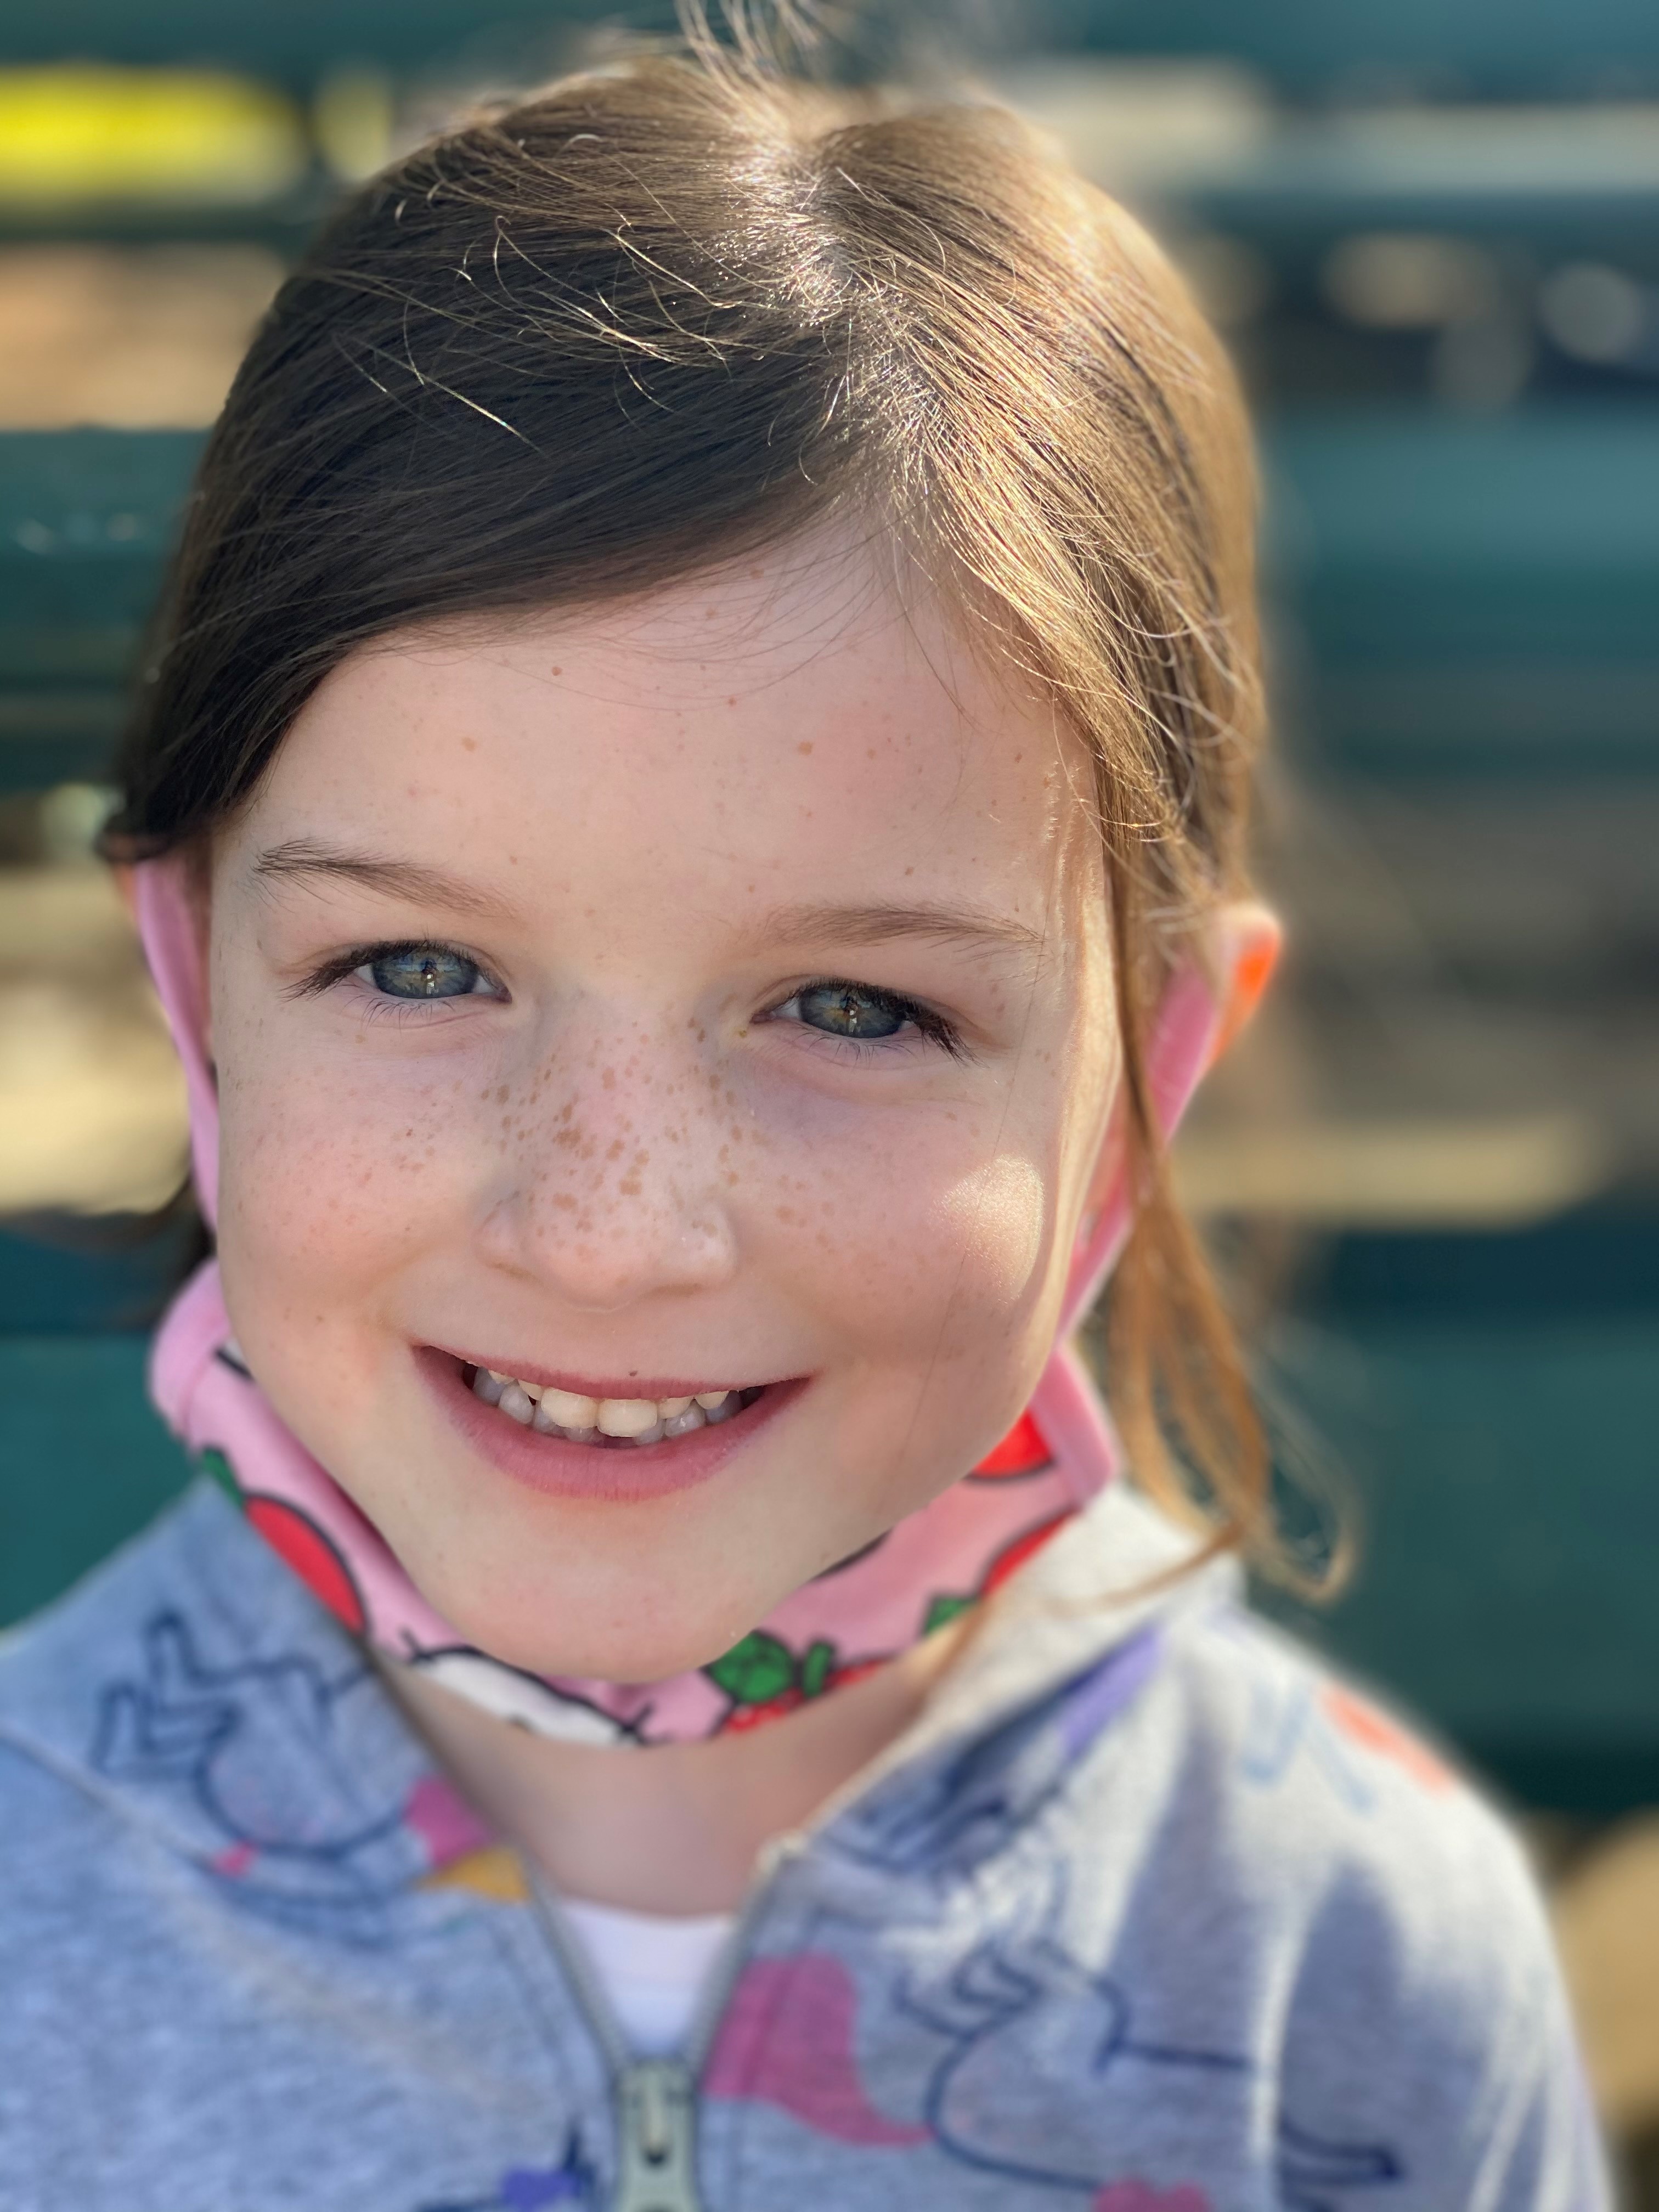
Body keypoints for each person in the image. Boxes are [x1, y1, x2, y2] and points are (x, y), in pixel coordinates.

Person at [0, 27, 1606, 2211]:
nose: (608, 1231)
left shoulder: (1349, 1970)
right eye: (417, 969)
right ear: (198, 989)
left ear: (1148, 1075)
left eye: (854, 1007)